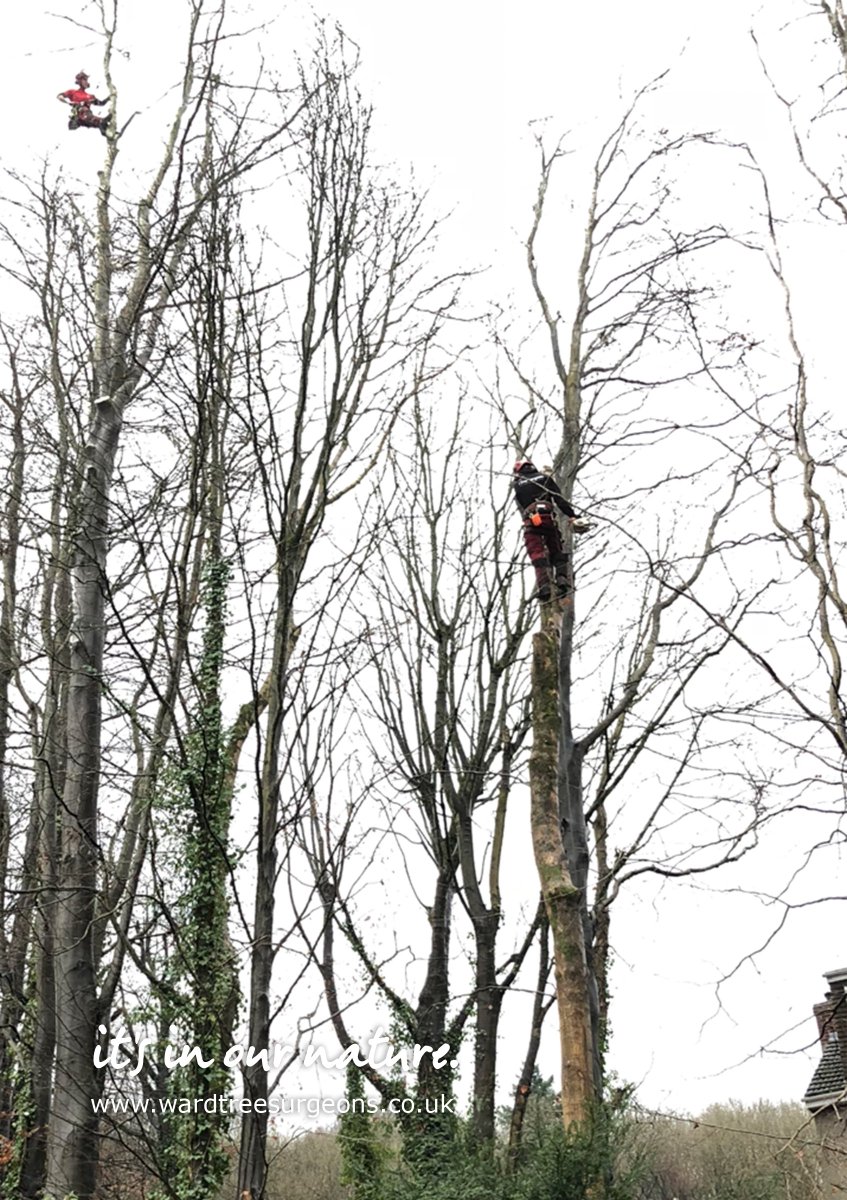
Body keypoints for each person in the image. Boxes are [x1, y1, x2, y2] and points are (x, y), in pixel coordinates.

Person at [513, 459, 588, 603]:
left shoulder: (517, 485)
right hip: (549, 519)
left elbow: (522, 506)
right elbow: (559, 500)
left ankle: (544, 586)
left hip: (532, 520)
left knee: (536, 552)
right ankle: (562, 579)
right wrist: (572, 515)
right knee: (556, 549)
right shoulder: (545, 478)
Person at [57, 71, 111, 136]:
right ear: (80, 81)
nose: (86, 82)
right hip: (79, 116)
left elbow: (101, 103)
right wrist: (69, 103)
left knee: (102, 122)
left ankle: (107, 132)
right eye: (84, 80)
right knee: (83, 110)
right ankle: (101, 124)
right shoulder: (73, 92)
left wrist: (109, 98)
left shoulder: (90, 96)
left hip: (88, 117)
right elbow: (60, 96)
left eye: (86, 80)